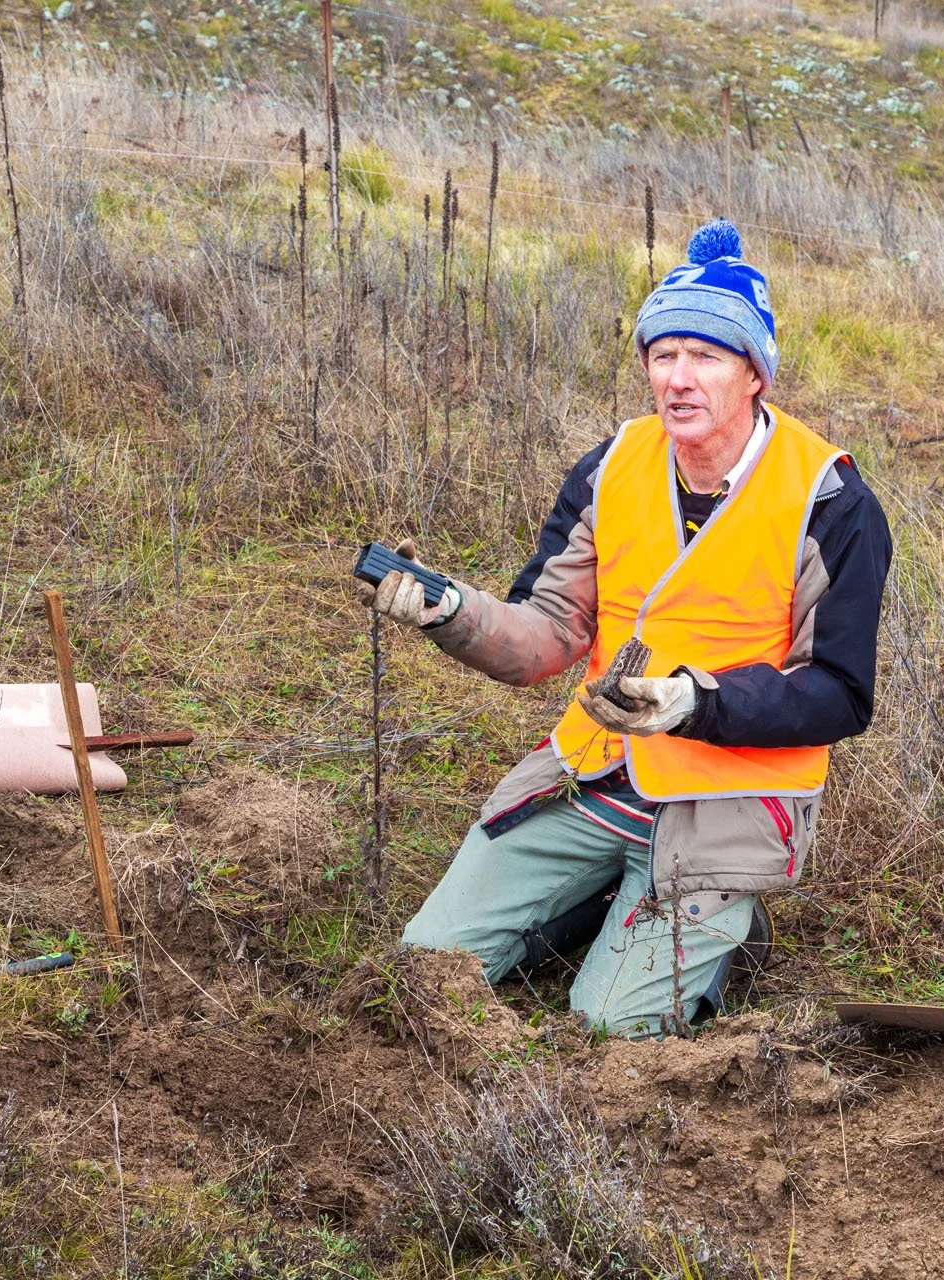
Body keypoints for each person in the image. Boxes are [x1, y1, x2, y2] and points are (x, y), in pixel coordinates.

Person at [363, 221, 892, 1038]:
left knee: (606, 1028)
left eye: (707, 356)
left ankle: (719, 940)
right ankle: (605, 901)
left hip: (724, 803)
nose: (679, 379)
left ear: (755, 373)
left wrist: (692, 704)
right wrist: (451, 613)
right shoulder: (612, 466)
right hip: (594, 770)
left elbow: (840, 695)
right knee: (425, 967)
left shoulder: (832, 502)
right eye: (662, 354)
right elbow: (546, 634)